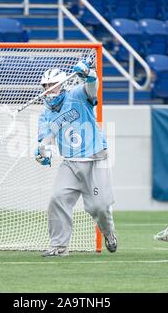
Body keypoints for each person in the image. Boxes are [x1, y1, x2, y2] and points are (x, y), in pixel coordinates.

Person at [35, 59, 117, 257]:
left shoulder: (78, 95)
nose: (49, 89)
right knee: (57, 199)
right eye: (46, 86)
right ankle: (59, 247)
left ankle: (109, 233)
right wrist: (42, 151)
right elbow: (45, 138)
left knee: (99, 206)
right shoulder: (46, 114)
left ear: (62, 85)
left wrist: (88, 73)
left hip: (95, 158)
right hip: (70, 163)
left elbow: (92, 85)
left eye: (53, 85)